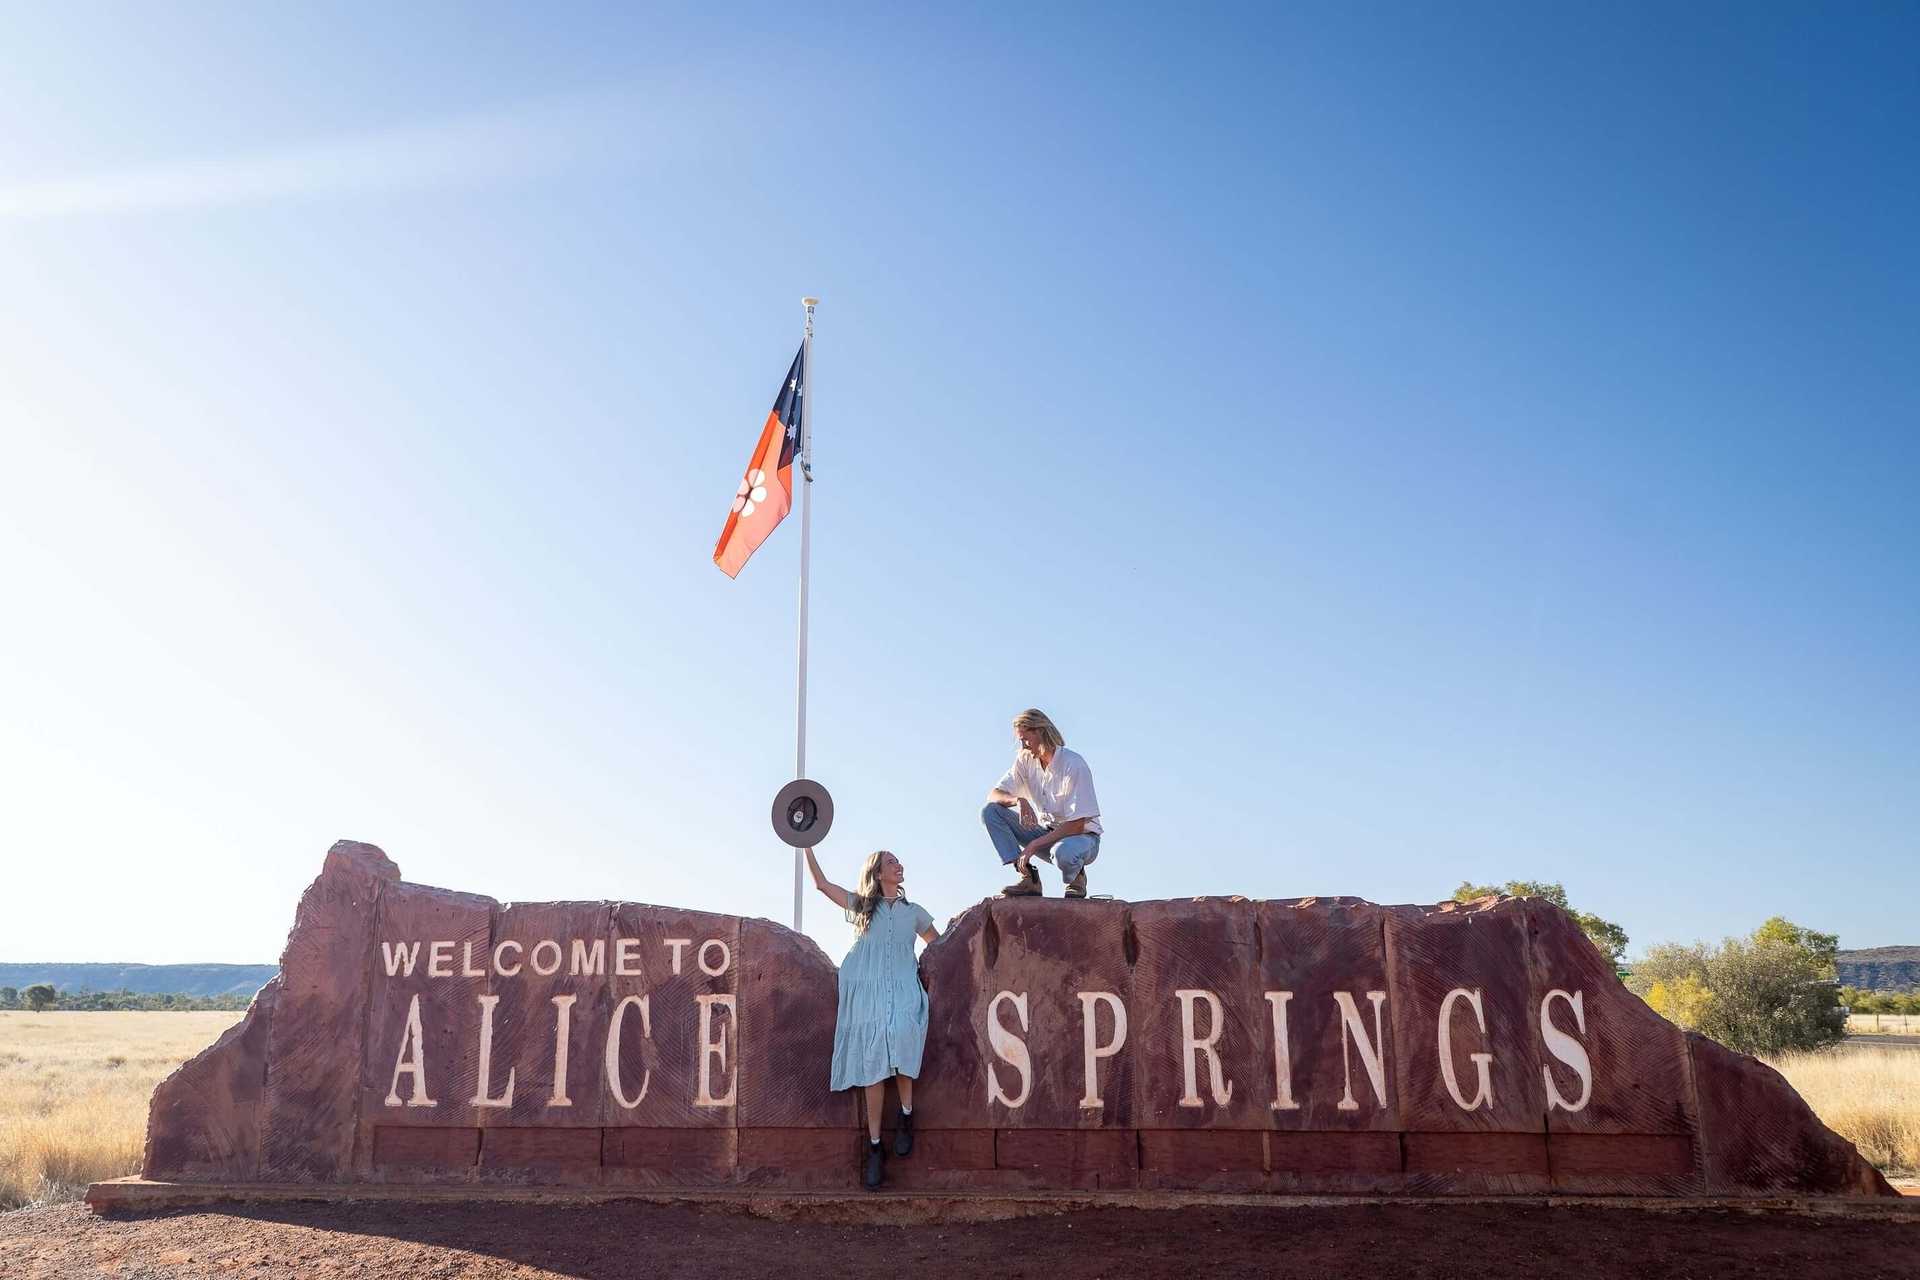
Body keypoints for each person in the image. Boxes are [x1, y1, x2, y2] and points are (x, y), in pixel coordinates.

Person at [804, 845, 938, 1191]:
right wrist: (806, 841)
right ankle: (875, 1146)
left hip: (904, 988)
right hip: (867, 991)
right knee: (874, 1064)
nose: (898, 865)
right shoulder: (863, 907)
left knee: (904, 1036)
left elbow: (937, 945)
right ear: (878, 874)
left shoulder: (915, 912)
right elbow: (821, 884)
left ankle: (907, 1116)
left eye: (898, 860)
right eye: (891, 862)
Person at [981, 707, 1103, 898]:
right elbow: (993, 794)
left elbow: (1078, 824)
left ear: (1040, 731)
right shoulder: (1025, 760)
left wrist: (1033, 846)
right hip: (1046, 834)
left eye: (1025, 739)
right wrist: (1018, 800)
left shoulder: (1073, 764)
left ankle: (1076, 878)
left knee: (1064, 851)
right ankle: (1028, 878)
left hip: (1081, 839)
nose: (1023, 746)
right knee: (991, 812)